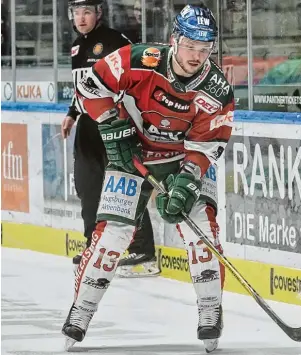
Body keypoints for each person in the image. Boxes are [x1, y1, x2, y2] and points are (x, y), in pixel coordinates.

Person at [62, 4, 234, 353]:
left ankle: (210, 310)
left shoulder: (217, 91)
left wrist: (187, 182)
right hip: (132, 155)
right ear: (175, 40)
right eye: (189, 46)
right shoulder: (140, 59)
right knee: (112, 236)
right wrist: (112, 124)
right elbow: (90, 87)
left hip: (181, 158)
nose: (196, 56)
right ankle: (81, 311)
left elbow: (205, 148)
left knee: (202, 231)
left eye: (204, 49)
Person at [61, 0, 157, 275]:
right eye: (77, 13)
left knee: (126, 187)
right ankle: (94, 245)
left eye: (87, 12)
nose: (81, 17)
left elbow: (137, 77)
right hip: (87, 128)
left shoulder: (115, 41)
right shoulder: (77, 47)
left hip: (114, 125)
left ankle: (143, 251)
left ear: (98, 13)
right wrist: (71, 113)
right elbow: (82, 88)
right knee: (87, 187)